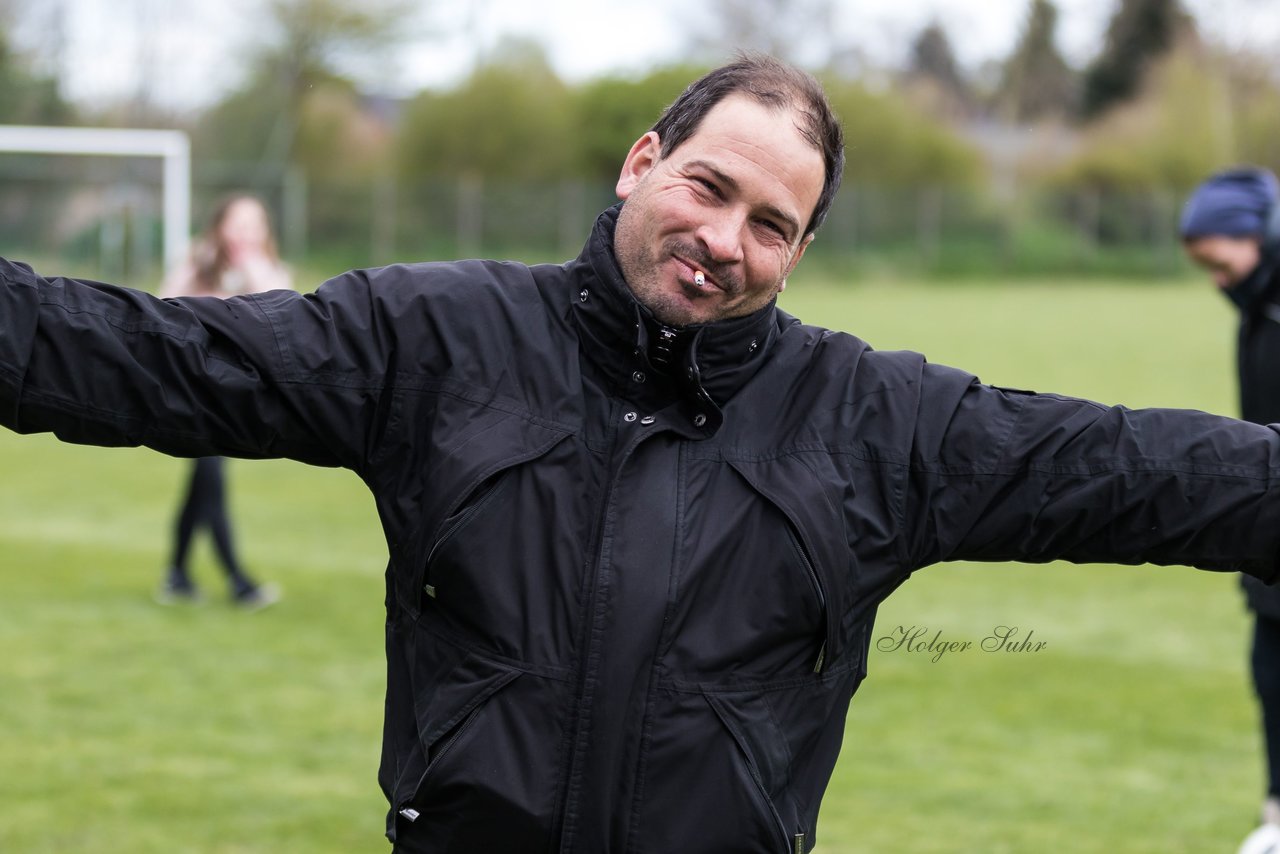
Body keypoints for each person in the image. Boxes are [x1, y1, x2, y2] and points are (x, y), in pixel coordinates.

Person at [3, 54, 1280, 852]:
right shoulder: (435, 337)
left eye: (771, 225)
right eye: (709, 188)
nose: (727, 238)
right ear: (640, 162)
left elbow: (1134, 469)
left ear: (798, 254)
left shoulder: (871, 420)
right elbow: (152, 357)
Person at [1180, 167, 1280, 850]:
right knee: (1270, 672)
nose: (1218, 279)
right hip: (1271, 541)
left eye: (1221, 261)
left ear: (1261, 236)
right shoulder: (1258, 308)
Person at [154, 194, 289, 609]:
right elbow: (162, 308)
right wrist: (200, 264)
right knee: (211, 480)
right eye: (238, 224)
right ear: (220, 226)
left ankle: (176, 577)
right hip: (195, 394)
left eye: (255, 225)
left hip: (235, 398)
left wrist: (251, 270)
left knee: (201, 487)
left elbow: (284, 316)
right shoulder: (199, 263)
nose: (246, 233)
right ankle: (238, 581)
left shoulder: (268, 271)